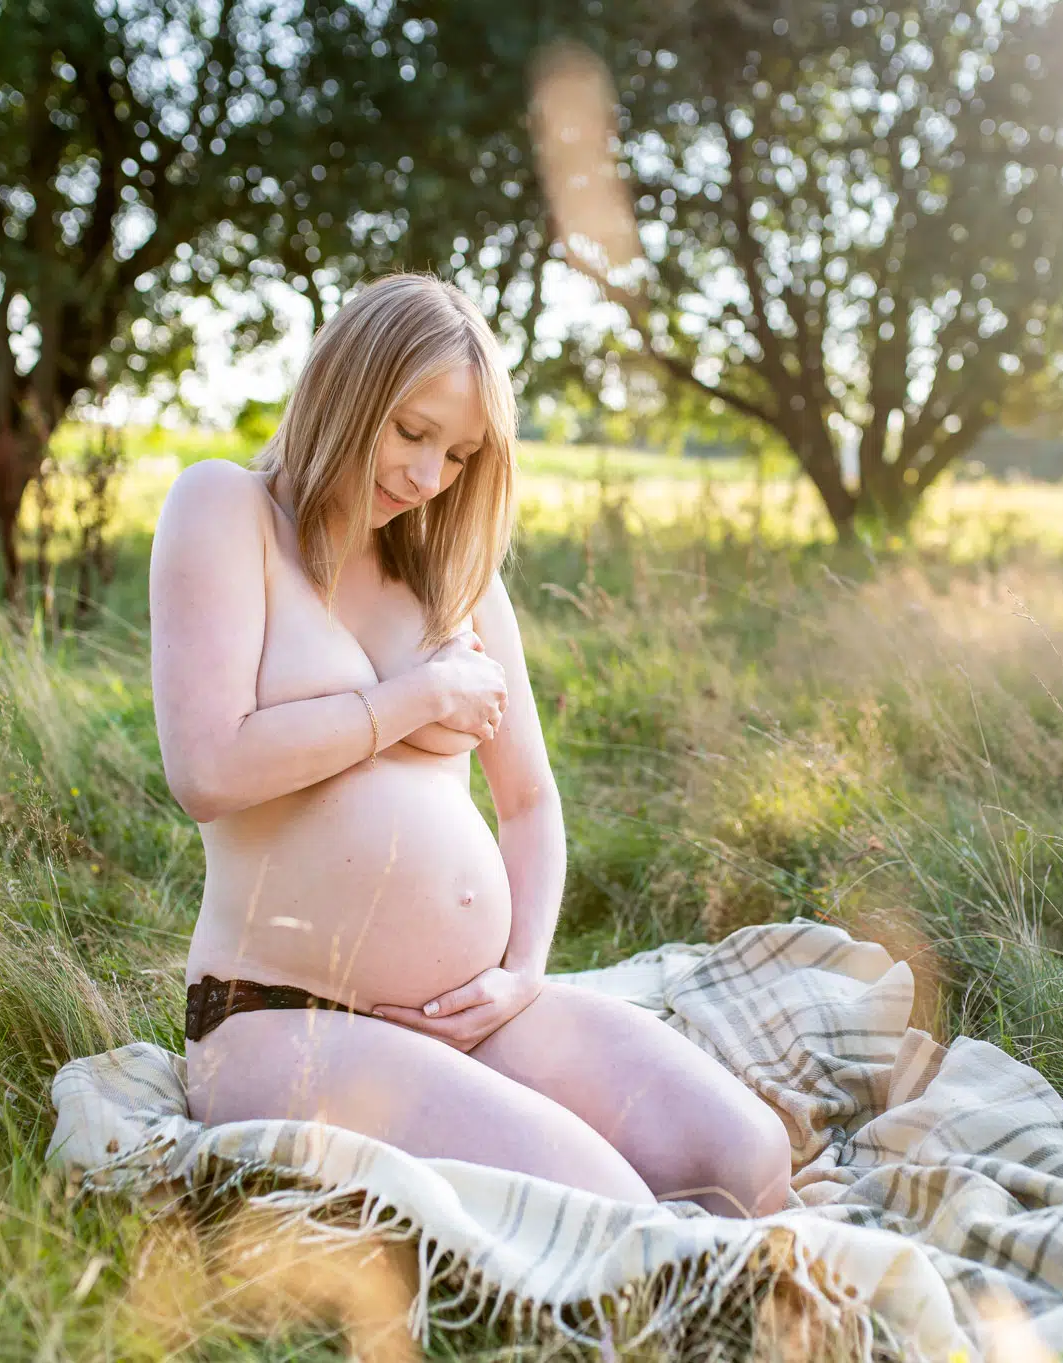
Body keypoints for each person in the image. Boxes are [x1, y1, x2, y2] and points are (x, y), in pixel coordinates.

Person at [147, 273, 791, 1217]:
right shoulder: (226, 511)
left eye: (457, 454)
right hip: (281, 1018)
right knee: (607, 1209)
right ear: (344, 385)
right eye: (411, 431)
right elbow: (207, 770)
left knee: (744, 1154)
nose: (424, 476)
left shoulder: (454, 574)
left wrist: (520, 973)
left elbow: (529, 801)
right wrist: (417, 697)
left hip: (468, 1012)